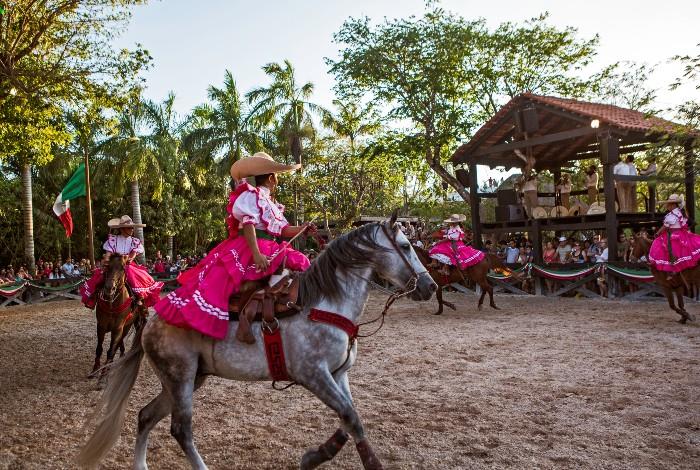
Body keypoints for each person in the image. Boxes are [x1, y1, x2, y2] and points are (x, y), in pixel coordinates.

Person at [155, 152, 313, 343]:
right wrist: (256, 254)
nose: (277, 181)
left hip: (270, 245)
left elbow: (283, 230)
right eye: (276, 177)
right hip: (250, 246)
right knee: (232, 283)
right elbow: (248, 224)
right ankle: (252, 316)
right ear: (272, 178)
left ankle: (283, 311)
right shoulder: (251, 195)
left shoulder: (271, 203)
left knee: (301, 261)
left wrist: (303, 228)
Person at [80, 215, 164, 309]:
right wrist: (106, 261)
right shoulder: (112, 239)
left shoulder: (135, 241)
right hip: (114, 264)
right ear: (122, 229)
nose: (132, 230)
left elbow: (132, 256)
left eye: (132, 228)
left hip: (127, 264)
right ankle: (94, 298)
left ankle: (139, 298)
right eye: (129, 228)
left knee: (136, 275)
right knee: (100, 277)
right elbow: (108, 254)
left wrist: (127, 259)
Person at [649, 194, 700, 280]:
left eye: (668, 204)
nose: (667, 206)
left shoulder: (672, 215)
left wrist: (657, 233)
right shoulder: (680, 212)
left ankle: (672, 270)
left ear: (673, 205)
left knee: (661, 245)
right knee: (677, 249)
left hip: (674, 234)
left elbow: (665, 226)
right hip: (681, 233)